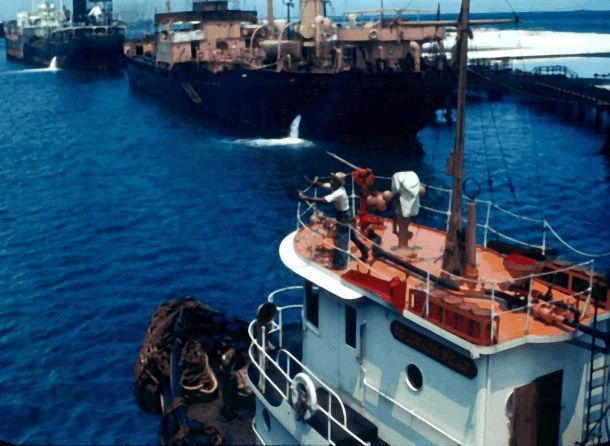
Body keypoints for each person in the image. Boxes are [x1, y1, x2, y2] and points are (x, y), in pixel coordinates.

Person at [298, 172, 368, 269]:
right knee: (352, 236)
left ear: (338, 183)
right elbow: (322, 185)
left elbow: (324, 200)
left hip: (344, 217)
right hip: (343, 215)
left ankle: (341, 265)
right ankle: (364, 250)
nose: (331, 181)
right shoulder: (334, 186)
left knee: (341, 239)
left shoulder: (339, 192)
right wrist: (311, 182)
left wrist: (305, 197)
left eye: (334, 180)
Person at [390, 171, 425, 250]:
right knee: (403, 226)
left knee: (403, 226)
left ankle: (403, 246)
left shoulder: (398, 179)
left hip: (402, 205)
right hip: (406, 205)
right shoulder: (410, 179)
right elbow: (421, 190)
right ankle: (403, 246)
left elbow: (395, 192)